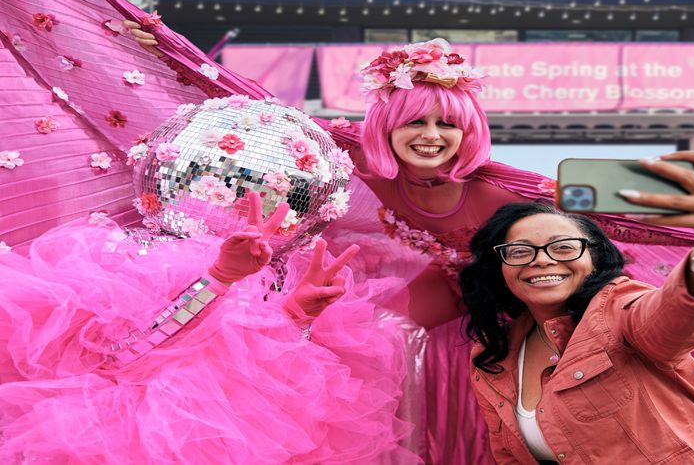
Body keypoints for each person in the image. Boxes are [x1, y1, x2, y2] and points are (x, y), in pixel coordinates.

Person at [8, 0, 694, 461]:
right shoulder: (331, 158)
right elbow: (242, 138)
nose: (429, 138)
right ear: (383, 125)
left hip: (463, 344)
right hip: (333, 338)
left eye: (447, 126)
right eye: (414, 122)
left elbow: (620, 211)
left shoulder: (514, 194)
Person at [0, 191, 420, 463]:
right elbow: (124, 357)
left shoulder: (276, 278)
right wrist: (217, 278)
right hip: (119, 438)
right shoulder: (142, 264)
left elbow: (271, 381)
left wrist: (296, 319)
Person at [460, 153, 694, 463]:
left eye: (563, 247)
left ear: (595, 260)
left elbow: (677, 317)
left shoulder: (621, 308)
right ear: (500, 268)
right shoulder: (491, 354)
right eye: (519, 251)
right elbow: (510, 456)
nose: (542, 260)